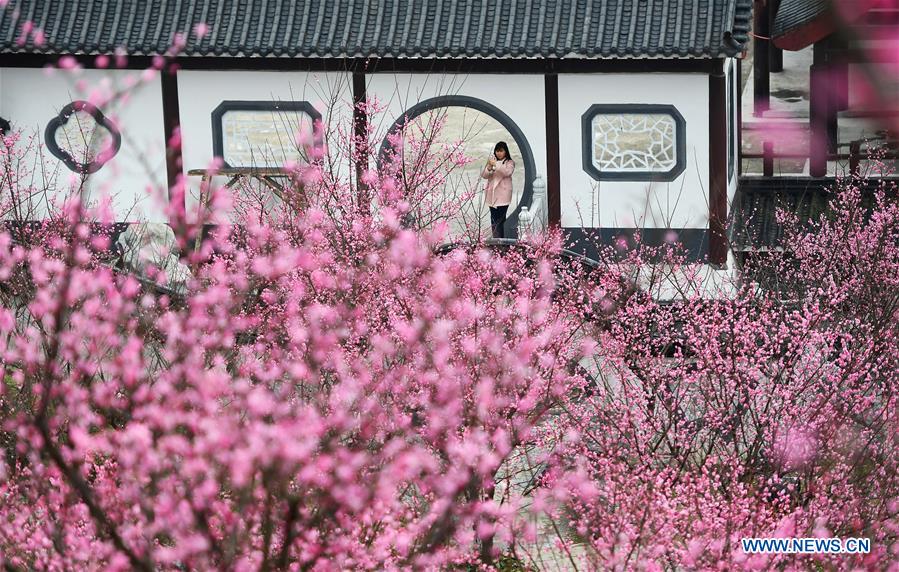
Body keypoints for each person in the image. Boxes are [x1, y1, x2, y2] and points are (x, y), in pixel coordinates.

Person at [481, 141, 515, 239]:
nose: (498, 153)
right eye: (497, 151)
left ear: (505, 152)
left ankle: (501, 240)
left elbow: (507, 172)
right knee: (493, 219)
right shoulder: (492, 161)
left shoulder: (510, 162)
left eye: (501, 151)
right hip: (492, 195)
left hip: (503, 196)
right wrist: (489, 167)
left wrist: (496, 164)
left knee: (500, 220)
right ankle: (496, 240)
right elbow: (484, 175)